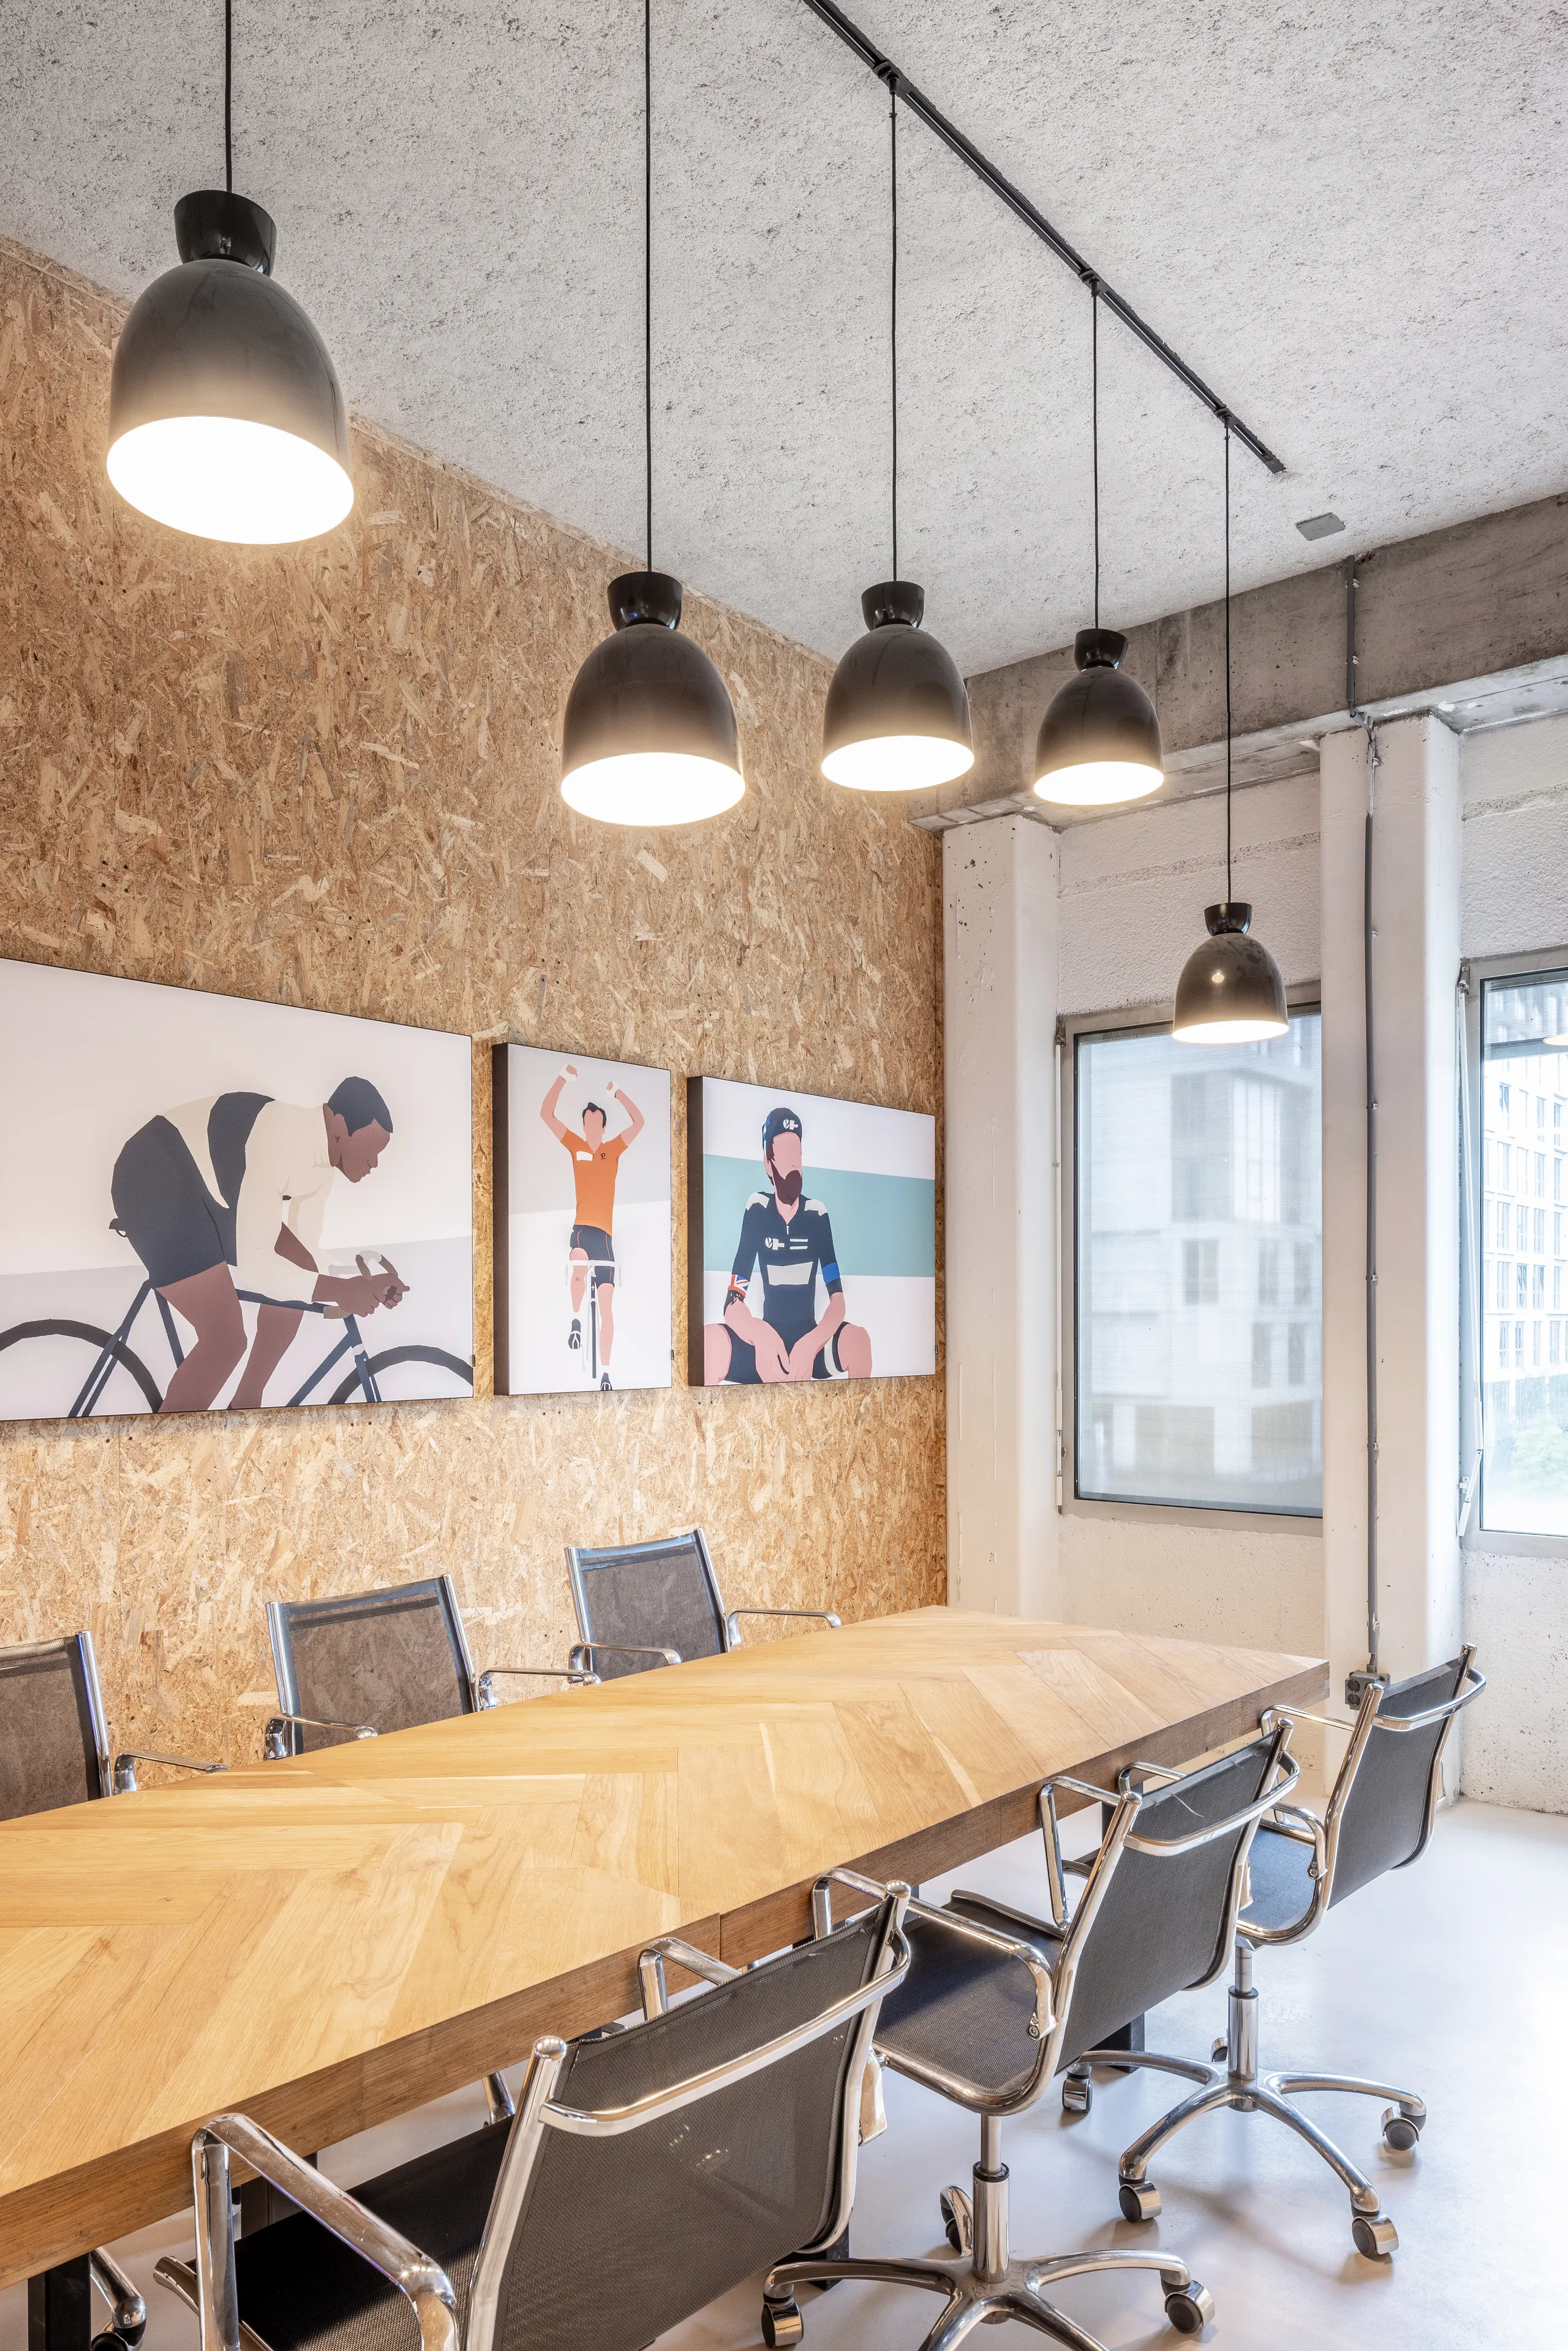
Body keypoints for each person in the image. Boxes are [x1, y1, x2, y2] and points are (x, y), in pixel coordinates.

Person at [110, 1077, 406, 1414]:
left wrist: (363, 1285)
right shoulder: (278, 1137)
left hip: (213, 1193)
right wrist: (341, 1290)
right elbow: (258, 1267)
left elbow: (307, 1260)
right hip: (155, 1175)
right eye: (371, 1150)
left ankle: (246, 1405)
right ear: (339, 1127)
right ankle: (167, 1440)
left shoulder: (322, 1169)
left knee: (300, 1267)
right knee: (225, 1340)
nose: (374, 1163)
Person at [704, 1104, 872, 1384]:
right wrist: (760, 1335)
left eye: (797, 1153)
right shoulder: (757, 1210)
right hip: (767, 1349)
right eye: (784, 1153)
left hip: (811, 1347)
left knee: (859, 1341)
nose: (794, 1163)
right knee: (708, 1343)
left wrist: (812, 1343)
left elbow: (838, 1302)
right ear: (768, 1164)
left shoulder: (817, 1215)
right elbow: (733, 1302)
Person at [539, 1063, 646, 1388]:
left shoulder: (613, 1150)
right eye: (587, 1123)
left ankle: (607, 1373)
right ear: (583, 1126)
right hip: (583, 1229)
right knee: (578, 1266)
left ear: (603, 1125)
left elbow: (639, 1122)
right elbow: (546, 1114)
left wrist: (617, 1093)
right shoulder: (576, 1146)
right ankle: (575, 1323)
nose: (591, 1127)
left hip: (606, 1238)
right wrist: (563, 1078)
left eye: (596, 1123)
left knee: (607, 1308)